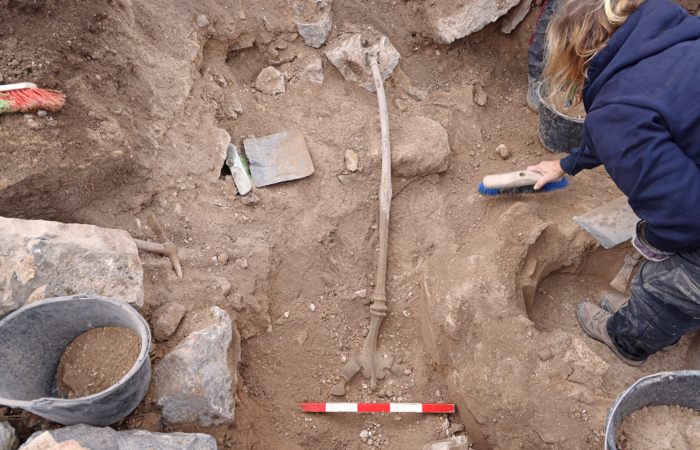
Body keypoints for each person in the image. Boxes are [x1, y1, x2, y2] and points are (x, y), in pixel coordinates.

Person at [527, 0, 700, 366]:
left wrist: (652, 243)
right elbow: (645, 118)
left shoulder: (619, 111)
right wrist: (567, 163)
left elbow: (684, 217)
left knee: (664, 283)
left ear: (578, 57)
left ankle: (630, 337)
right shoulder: (676, 38)